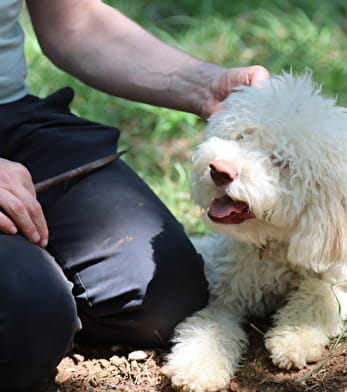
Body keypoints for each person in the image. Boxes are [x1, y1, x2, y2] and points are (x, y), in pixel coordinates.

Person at [0, 0, 270, 390]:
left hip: (12, 114)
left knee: (162, 300)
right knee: (26, 325)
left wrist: (204, 85)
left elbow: (74, 20)